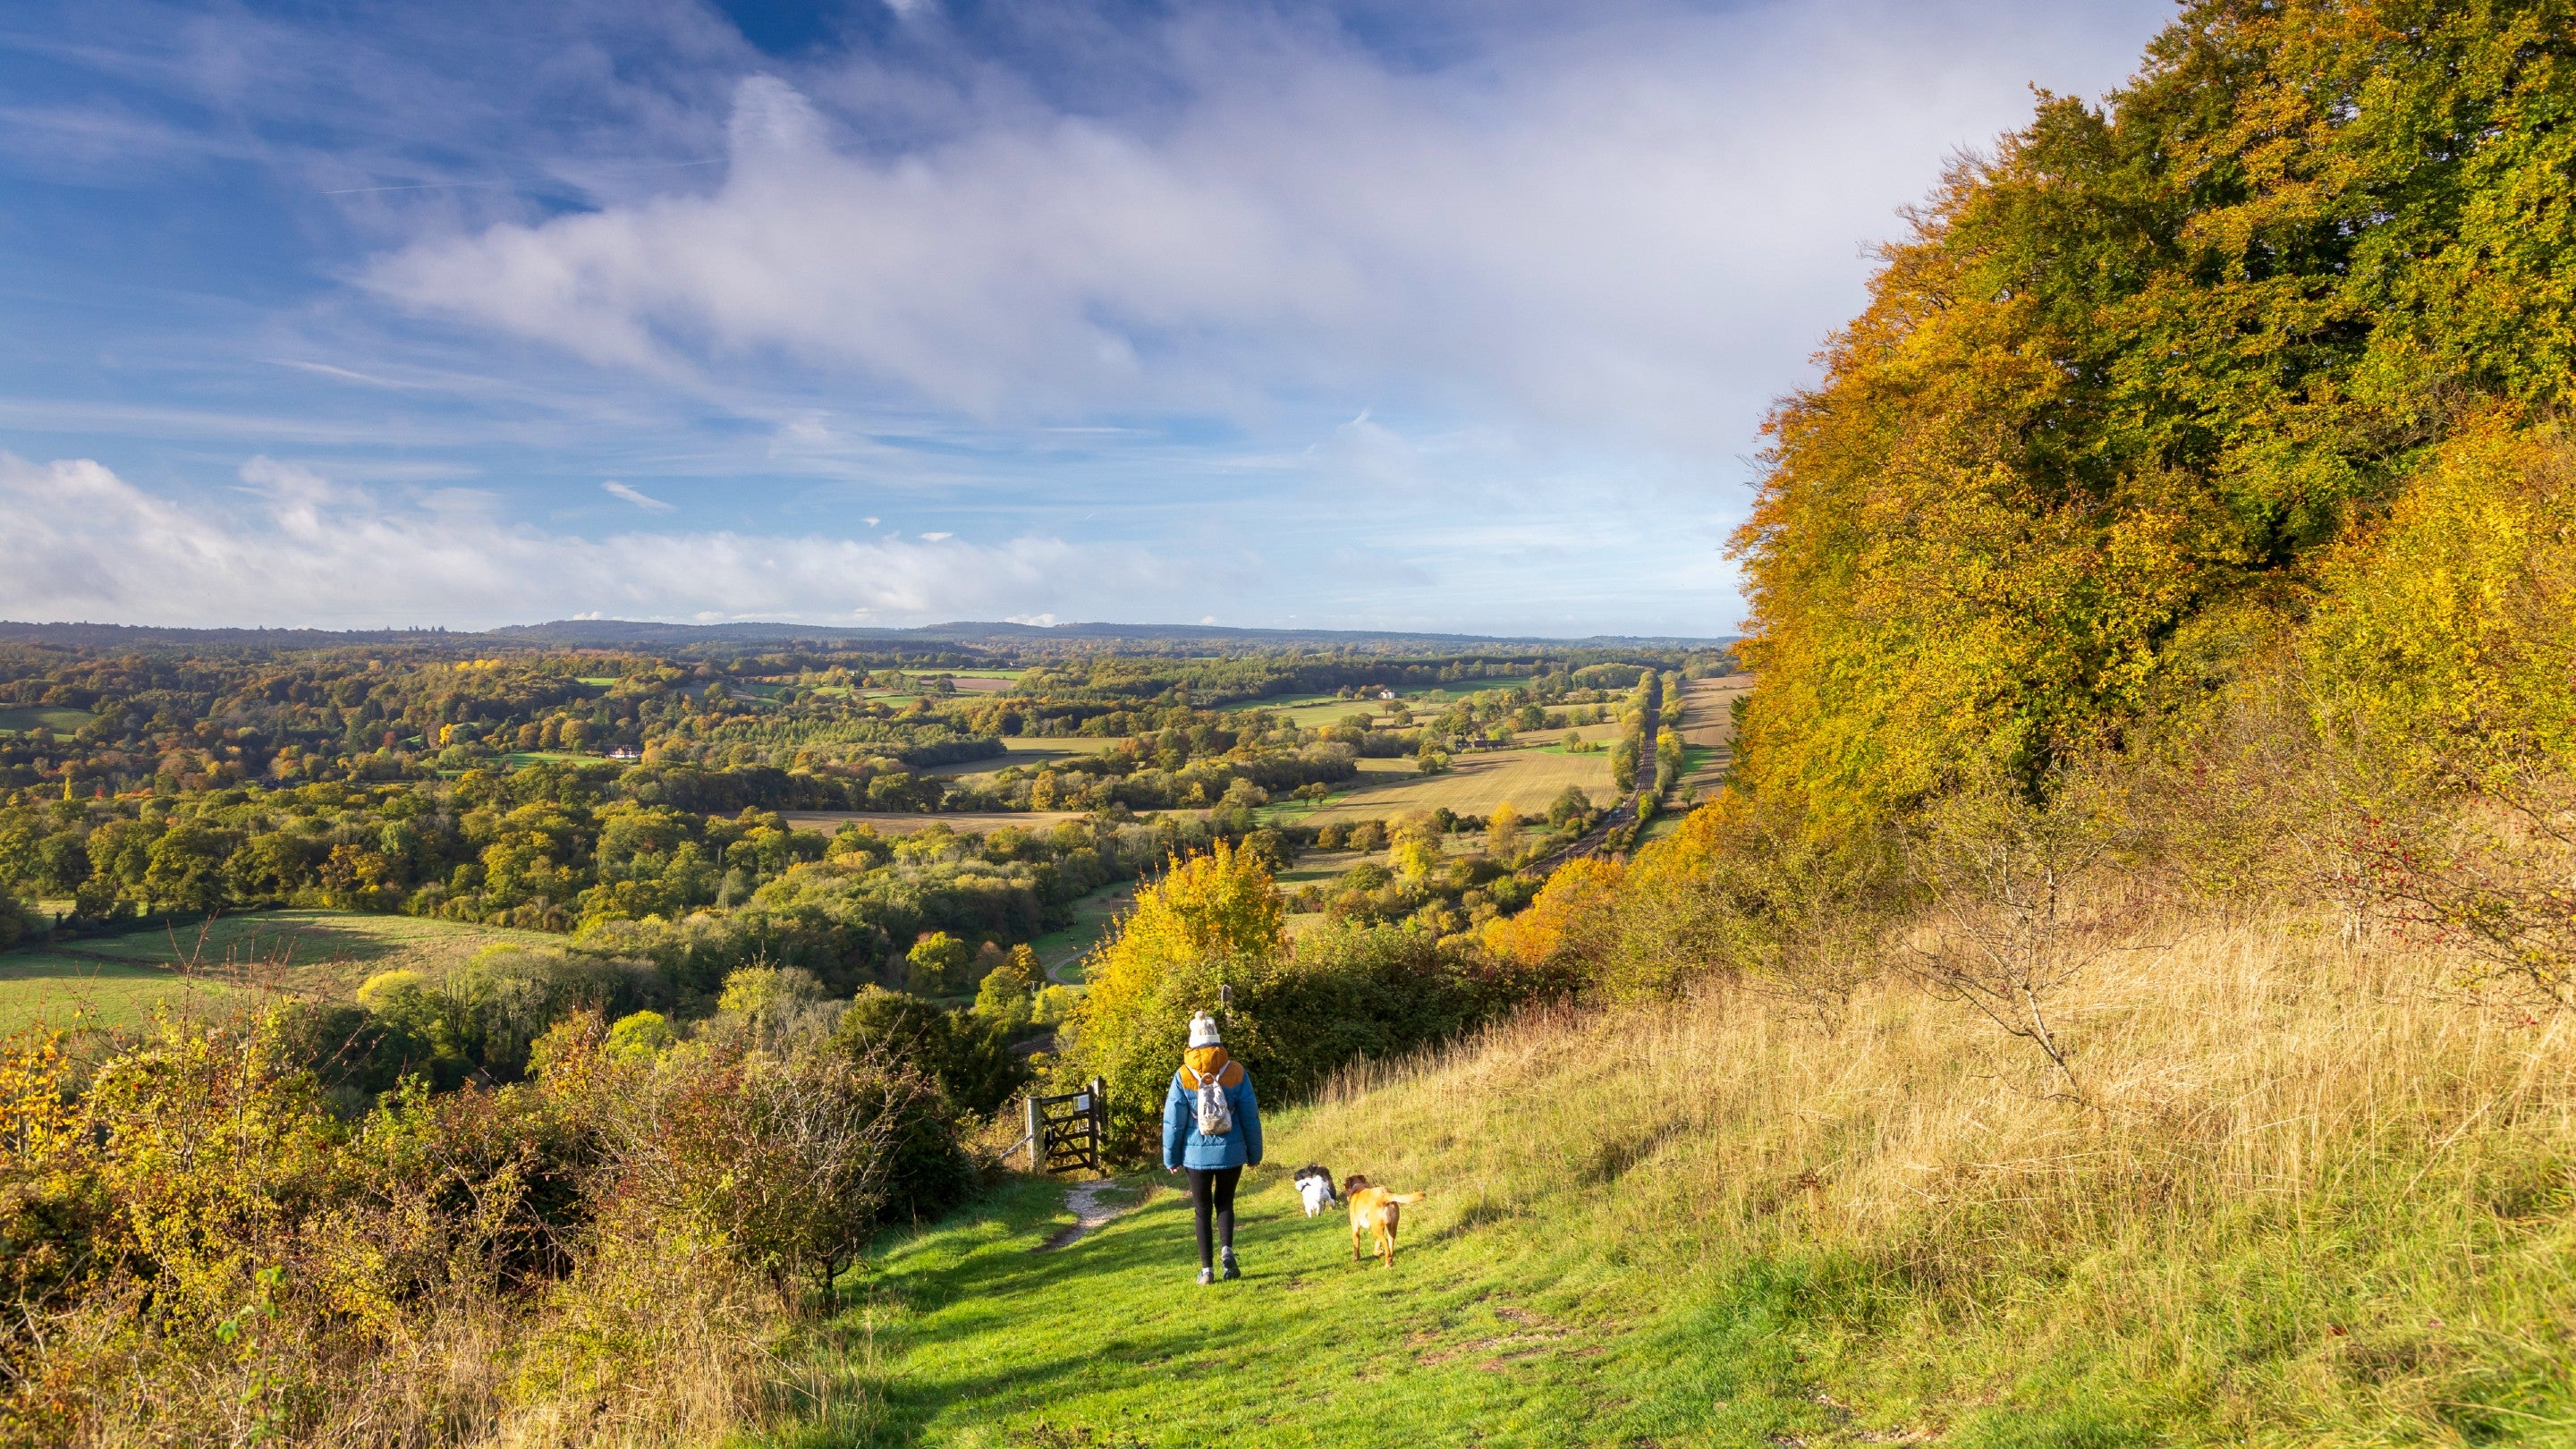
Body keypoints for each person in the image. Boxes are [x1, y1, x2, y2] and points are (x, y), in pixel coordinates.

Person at [1162, 1011, 1263, 1284]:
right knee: (1226, 1203)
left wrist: (1171, 1158)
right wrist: (1254, 1153)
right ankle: (1227, 1252)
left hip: (1196, 1155)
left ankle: (1207, 1271)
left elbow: (1174, 1122)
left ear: (1192, 1041)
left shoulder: (1183, 1075)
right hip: (1232, 1151)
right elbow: (1249, 1115)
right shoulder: (1236, 1071)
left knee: (1201, 1209)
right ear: (1217, 1040)